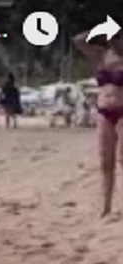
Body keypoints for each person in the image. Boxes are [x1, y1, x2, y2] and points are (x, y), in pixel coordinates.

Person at [75, 27, 123, 217]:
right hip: (104, 111)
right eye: (111, 37)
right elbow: (78, 41)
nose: (114, 41)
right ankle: (106, 205)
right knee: (106, 162)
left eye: (118, 37)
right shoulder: (100, 55)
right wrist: (99, 29)